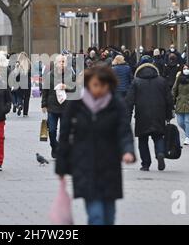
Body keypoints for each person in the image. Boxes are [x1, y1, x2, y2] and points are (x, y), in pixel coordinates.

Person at [56, 65, 135, 225]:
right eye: (96, 85)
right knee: (96, 216)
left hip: (109, 166)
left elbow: (124, 130)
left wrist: (128, 151)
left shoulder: (115, 104)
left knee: (109, 215)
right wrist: (61, 166)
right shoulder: (77, 104)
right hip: (85, 165)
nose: (100, 89)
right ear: (87, 84)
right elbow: (64, 134)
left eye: (104, 85)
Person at [126, 60, 173, 171]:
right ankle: (160, 153)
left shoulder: (136, 82)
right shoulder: (162, 81)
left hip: (142, 114)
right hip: (159, 114)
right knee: (158, 136)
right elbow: (169, 100)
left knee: (143, 139)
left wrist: (127, 117)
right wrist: (168, 115)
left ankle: (146, 164)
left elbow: (129, 101)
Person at [41, 55, 74, 159]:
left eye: (64, 61)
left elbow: (75, 89)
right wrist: (43, 104)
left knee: (64, 131)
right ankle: (54, 146)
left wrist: (67, 87)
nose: (62, 64)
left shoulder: (71, 75)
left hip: (66, 107)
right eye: (60, 62)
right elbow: (45, 91)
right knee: (51, 130)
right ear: (56, 63)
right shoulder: (49, 75)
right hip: (52, 107)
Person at [15, 52, 32, 117]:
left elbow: (15, 74)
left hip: (19, 82)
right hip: (27, 83)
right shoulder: (29, 63)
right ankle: (25, 113)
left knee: (19, 95)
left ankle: (19, 104)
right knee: (27, 98)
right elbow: (30, 74)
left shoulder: (17, 64)